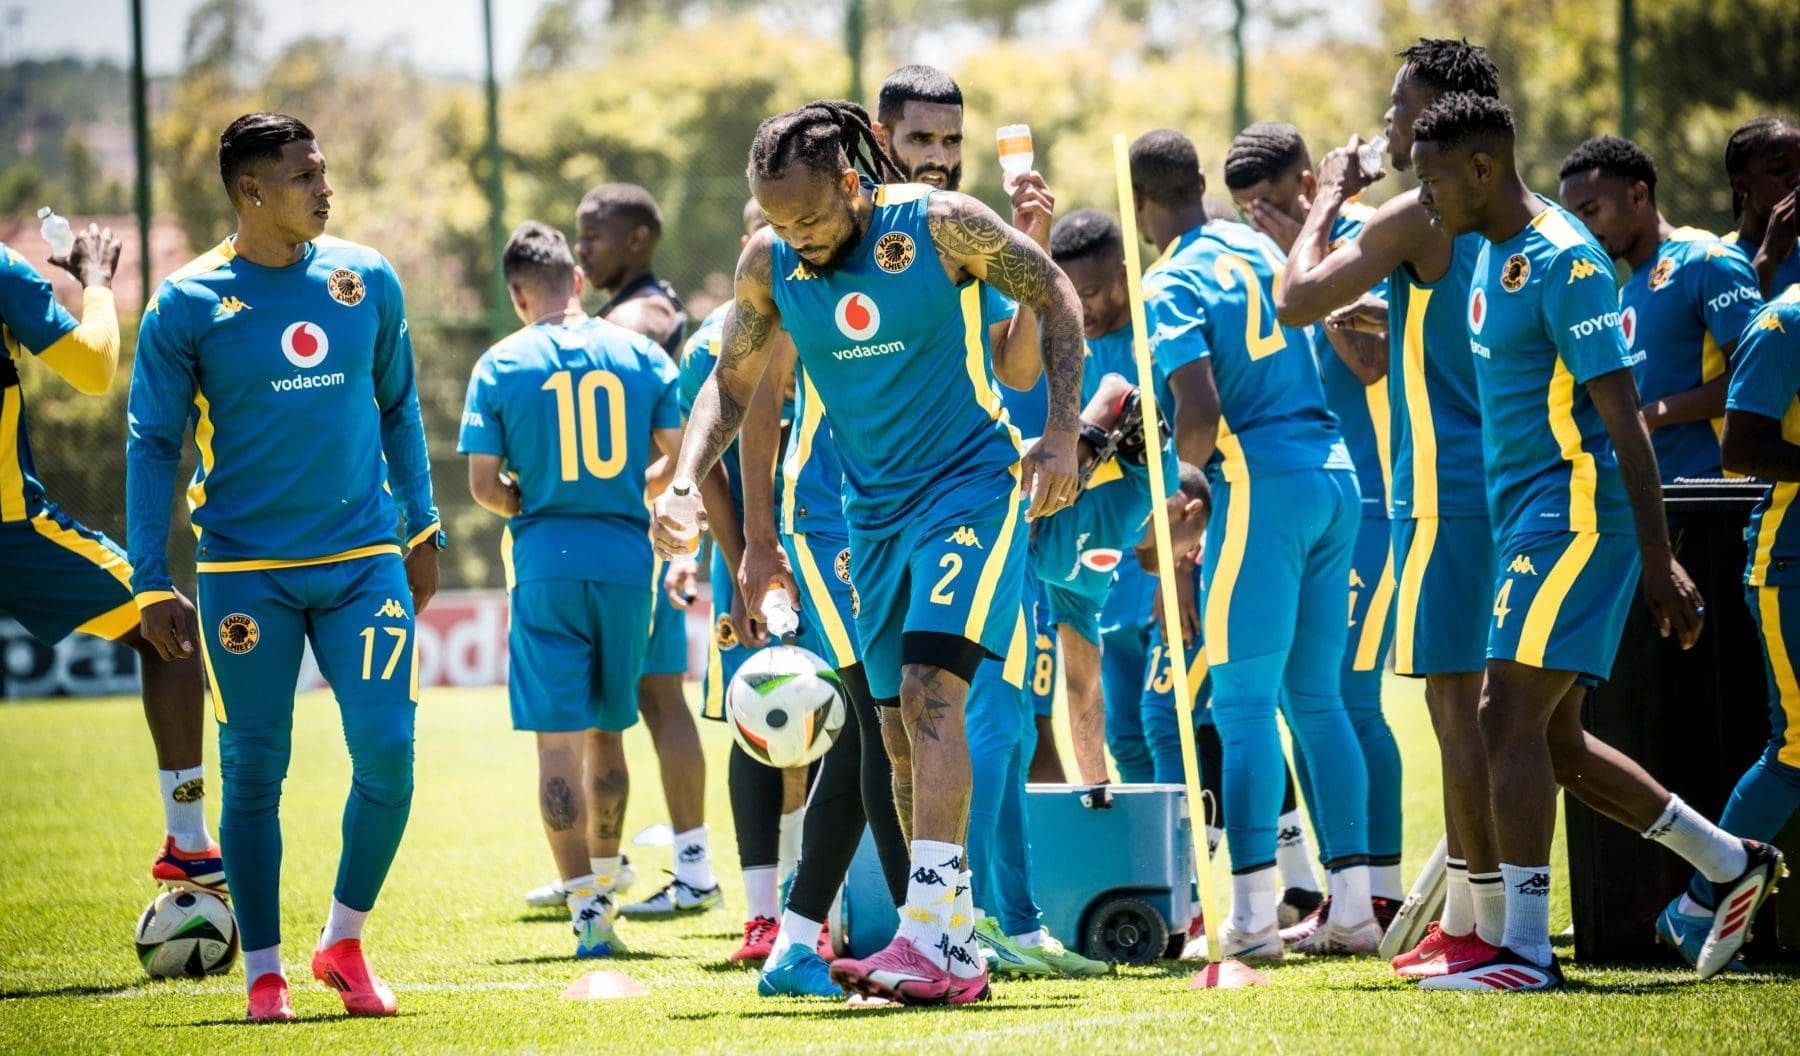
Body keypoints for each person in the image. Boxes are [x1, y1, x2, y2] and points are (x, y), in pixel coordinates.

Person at [655, 99, 1084, 1007]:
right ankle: (950, 941)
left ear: (853, 183)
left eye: (811, 218)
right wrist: (688, 480)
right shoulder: (769, 263)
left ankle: (934, 942)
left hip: (968, 486)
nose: (799, 239)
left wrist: (1058, 434)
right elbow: (731, 388)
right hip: (867, 514)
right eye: (780, 222)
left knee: (933, 695)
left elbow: (1056, 292)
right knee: (888, 730)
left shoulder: (940, 225)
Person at [1406, 91, 1782, 992]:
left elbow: (1626, 420)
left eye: (1433, 181)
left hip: (1577, 514)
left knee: (1502, 716)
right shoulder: (1489, 255)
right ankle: (1730, 861)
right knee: (1558, 743)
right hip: (1525, 515)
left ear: (1484, 169)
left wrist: (1658, 559)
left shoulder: (1565, 261)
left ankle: (1523, 952)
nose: (1425, 200)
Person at [126, 112, 443, 1021]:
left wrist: (422, 526)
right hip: (244, 574)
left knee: (388, 754)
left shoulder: (364, 278)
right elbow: (153, 446)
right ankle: (263, 968)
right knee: (255, 769)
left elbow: (399, 408)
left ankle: (342, 940)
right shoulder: (186, 304)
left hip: (362, 562)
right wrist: (153, 578)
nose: (323, 187)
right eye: (303, 176)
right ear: (251, 191)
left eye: (324, 171)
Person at [1275, 37, 1506, 976]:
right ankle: (1491, 910)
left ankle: (1483, 926)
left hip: (1445, 490)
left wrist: (1324, 195)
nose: (1387, 127)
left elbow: (1294, 298)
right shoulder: (1507, 215)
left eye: (1399, 108)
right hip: (1514, 478)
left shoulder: (1418, 213)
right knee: (1513, 719)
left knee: (1458, 712)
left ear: (1439, 116)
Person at [1130, 127, 1376, 959]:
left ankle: (1251, 922)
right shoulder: (1249, 244)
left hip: (1263, 487)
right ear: (1201, 183)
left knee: (1239, 710)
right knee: (1318, 702)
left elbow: (1197, 416)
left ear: (1138, 209)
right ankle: (1352, 910)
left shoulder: (1169, 280)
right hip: (1336, 474)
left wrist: (1170, 488)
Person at [458, 221, 687, 959]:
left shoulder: (499, 363)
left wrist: (533, 503)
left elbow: (484, 486)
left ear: (518, 295)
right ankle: (611, 876)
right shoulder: (642, 355)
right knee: (609, 734)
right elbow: (679, 463)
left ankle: (588, 912)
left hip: (545, 562)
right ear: (578, 283)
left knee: (555, 748)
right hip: (627, 562)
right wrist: (624, 487)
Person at [1225, 121, 1405, 934]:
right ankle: (1350, 896)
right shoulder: (1260, 262)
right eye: (1244, 209)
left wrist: (1311, 249)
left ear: (1308, 182)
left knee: (1350, 703)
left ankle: (1384, 894)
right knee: (1312, 702)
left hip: (1373, 501)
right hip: (1312, 493)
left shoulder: (1364, 237)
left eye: (1269, 204)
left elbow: (1372, 364)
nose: (1257, 222)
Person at [0, 224, 218, 897]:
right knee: (170, 629)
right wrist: (95, 280)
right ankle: (188, 842)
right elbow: (93, 367)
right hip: (12, 534)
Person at [569, 182, 720, 919]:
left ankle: (668, 870)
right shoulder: (634, 311)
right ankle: (626, 864)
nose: (579, 251)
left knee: (645, 702)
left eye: (591, 236)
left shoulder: (641, 317)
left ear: (636, 240)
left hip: (641, 535)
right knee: (648, 700)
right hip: (643, 531)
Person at [1670, 282, 1800, 971]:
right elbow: (1742, 446)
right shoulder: (1787, 320)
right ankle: (1694, 906)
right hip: (1793, 562)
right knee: (1799, 748)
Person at [1558, 135, 1763, 483]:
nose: (1585, 231)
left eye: (1591, 211)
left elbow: (1758, 376)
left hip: (1720, 491)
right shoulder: (1623, 293)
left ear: (1638, 195)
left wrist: (1655, 414)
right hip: (1660, 491)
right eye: (1575, 221)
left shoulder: (1704, 259)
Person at [1720, 116, 1800, 298]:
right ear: (1741, 185)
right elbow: (1740, 323)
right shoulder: (1718, 261)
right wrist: (1769, 257)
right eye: (1779, 169)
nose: (1797, 178)